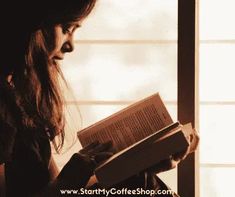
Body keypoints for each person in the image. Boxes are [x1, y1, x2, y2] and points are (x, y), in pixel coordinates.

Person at [0, 1, 199, 196]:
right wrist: (69, 179)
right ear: (35, 23)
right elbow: (60, 187)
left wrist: (141, 163)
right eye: (67, 28)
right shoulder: (3, 106)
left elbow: (56, 188)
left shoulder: (20, 98)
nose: (70, 45)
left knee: (141, 181)